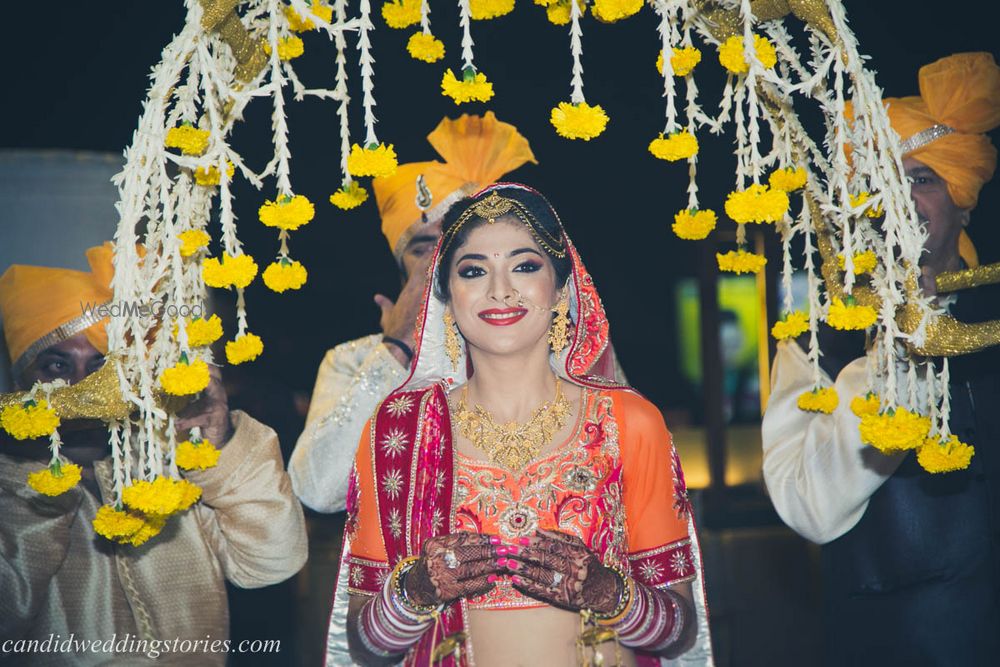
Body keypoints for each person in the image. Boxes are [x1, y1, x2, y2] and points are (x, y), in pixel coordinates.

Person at [331, 184, 710, 666]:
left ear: (560, 287)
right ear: (447, 295)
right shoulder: (400, 433)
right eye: (473, 271)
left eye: (525, 266)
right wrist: (415, 590)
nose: (500, 289)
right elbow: (366, 645)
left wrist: (607, 592)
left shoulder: (628, 421)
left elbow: (679, 631)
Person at [762, 52, 1000, 665]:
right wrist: (894, 353)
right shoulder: (819, 337)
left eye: (921, 180)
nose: (899, 202)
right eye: (879, 184)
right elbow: (806, 506)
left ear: (963, 200)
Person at [0, 243, 308, 665]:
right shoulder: (8, 486)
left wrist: (224, 447)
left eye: (100, 367)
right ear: (21, 385)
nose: (79, 387)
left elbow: (273, 562)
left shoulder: (168, 472)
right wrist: (36, 485)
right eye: (56, 367)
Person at [289, 112, 537, 514]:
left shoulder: (541, 343)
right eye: (422, 249)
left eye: (453, 243)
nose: (438, 262)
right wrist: (396, 350)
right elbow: (318, 492)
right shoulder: (353, 361)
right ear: (400, 264)